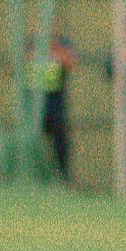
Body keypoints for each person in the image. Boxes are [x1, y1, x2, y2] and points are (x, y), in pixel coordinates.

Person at [30, 31, 77, 180]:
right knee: (34, 140)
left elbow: (70, 62)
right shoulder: (32, 44)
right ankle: (36, 176)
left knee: (59, 140)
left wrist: (57, 53)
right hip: (34, 100)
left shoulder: (63, 43)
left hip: (55, 98)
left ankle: (62, 176)